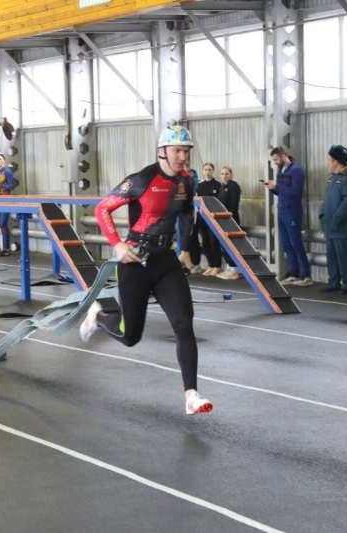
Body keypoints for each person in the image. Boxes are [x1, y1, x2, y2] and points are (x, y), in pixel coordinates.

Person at [79, 125, 213, 416]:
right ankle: (98, 316)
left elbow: (188, 213)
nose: (182, 157)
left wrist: (186, 248)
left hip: (165, 262)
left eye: (186, 151)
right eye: (177, 150)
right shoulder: (142, 179)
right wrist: (116, 245)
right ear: (162, 151)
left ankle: (191, 394)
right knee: (131, 337)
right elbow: (102, 209)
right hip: (135, 264)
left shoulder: (187, 181)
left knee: (183, 324)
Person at [267, 147, 313, 287]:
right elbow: (282, 192)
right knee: (286, 244)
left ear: (283, 156)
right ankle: (294, 273)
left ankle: (306, 275)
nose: (275, 163)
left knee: (296, 243)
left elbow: (296, 192)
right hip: (281, 211)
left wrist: (278, 187)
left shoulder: (296, 170)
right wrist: (273, 188)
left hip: (292, 212)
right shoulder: (281, 170)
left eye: (276, 159)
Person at [320, 145, 347, 294]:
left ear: (335, 161)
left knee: (344, 256)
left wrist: (336, 219)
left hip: (341, 226)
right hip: (330, 224)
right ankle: (333, 282)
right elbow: (327, 199)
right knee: (332, 256)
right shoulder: (332, 178)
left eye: (330, 159)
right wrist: (322, 214)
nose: (328, 162)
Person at [215, 165, 242, 281]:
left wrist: (228, 217)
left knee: (232, 245)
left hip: (231, 219)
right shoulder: (221, 187)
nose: (224, 176)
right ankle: (229, 268)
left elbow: (233, 205)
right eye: (222, 174)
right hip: (222, 219)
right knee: (224, 245)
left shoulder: (234, 186)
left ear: (231, 174)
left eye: (226, 174)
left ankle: (234, 269)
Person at [0, 152, 18, 256]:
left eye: (0, 159)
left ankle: (6, 248)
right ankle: (5, 248)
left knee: (2, 224)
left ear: (4, 160)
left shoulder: (7, 172)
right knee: (1, 225)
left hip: (6, 200)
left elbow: (11, 187)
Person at [196, 162, 222, 277]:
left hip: (214, 217)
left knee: (214, 242)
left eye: (210, 170)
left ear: (213, 171)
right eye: (205, 170)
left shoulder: (217, 184)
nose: (208, 172)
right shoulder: (200, 185)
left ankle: (217, 266)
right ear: (203, 171)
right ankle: (210, 265)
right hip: (203, 217)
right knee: (205, 242)